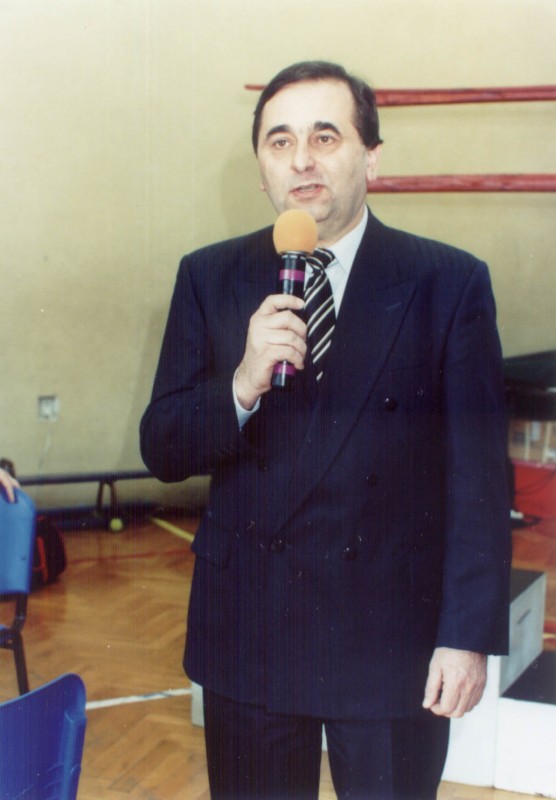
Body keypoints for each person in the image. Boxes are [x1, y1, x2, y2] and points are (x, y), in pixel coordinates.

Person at [140, 61, 511, 800]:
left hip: (389, 643)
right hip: (252, 636)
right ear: (261, 170)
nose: (301, 160)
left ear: (372, 157)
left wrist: (465, 637)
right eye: (279, 142)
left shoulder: (446, 282)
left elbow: (478, 481)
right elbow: (163, 447)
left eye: (325, 137)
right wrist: (241, 384)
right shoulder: (209, 276)